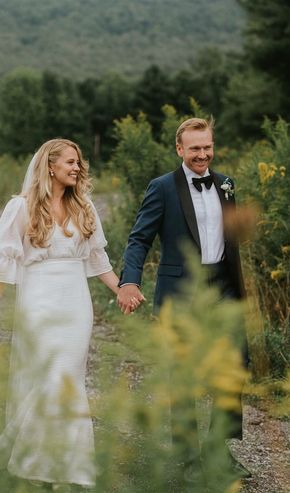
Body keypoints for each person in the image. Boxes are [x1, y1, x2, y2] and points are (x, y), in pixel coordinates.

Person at [0, 139, 138, 491]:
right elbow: (6, 260)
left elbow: (98, 261)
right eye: (70, 161)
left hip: (75, 302)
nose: (77, 167)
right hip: (37, 298)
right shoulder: (21, 208)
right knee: (46, 375)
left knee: (68, 377)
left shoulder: (85, 207)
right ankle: (35, 461)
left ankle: (69, 462)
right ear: (49, 166)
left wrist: (122, 289)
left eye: (79, 162)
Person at [116, 118, 250, 483]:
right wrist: (129, 281)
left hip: (222, 289)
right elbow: (139, 239)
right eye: (194, 149)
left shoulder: (226, 184)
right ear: (179, 149)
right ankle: (189, 455)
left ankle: (218, 449)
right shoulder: (161, 188)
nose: (202, 155)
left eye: (207, 147)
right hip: (181, 292)